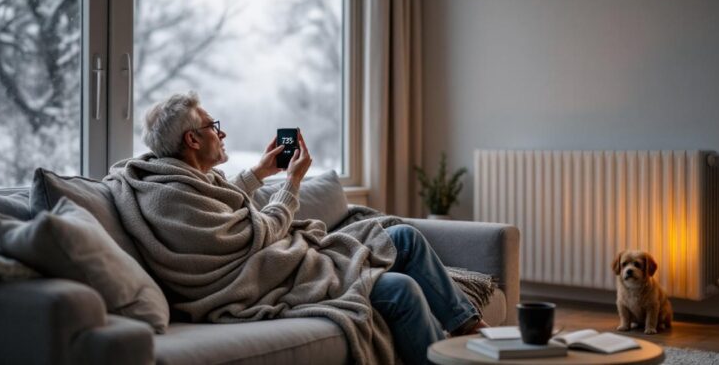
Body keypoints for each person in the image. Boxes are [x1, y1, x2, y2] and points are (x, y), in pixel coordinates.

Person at [113, 92, 486, 365]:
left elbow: (219, 204)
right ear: (192, 139)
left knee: (405, 237)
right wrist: (291, 182)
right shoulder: (172, 198)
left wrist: (261, 171)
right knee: (401, 289)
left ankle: (469, 327)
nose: (221, 134)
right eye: (213, 126)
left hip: (279, 264)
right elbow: (256, 234)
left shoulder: (181, 182)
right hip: (269, 283)